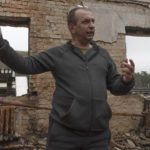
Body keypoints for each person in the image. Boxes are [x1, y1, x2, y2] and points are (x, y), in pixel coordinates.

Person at [0, 6, 134, 150]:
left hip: (98, 137)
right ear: (72, 28)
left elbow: (115, 86)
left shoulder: (103, 56)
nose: (91, 26)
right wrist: (1, 44)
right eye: (85, 22)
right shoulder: (58, 54)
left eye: (93, 21)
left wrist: (126, 80)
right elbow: (26, 66)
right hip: (64, 137)